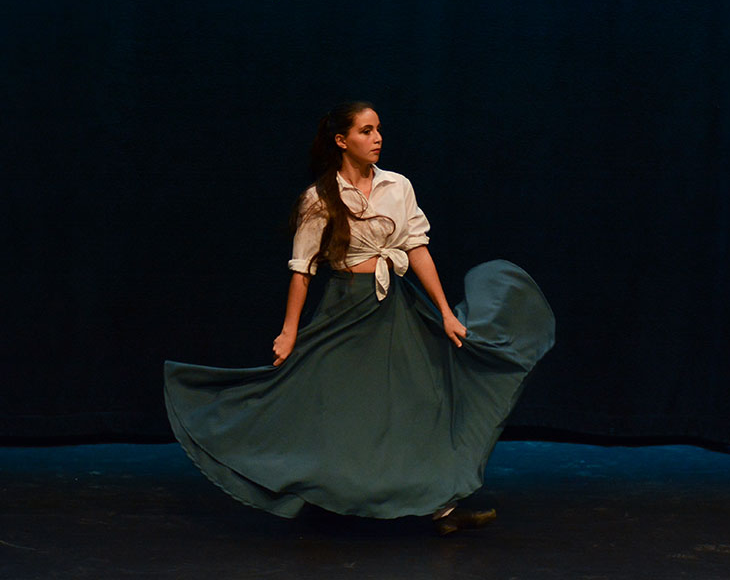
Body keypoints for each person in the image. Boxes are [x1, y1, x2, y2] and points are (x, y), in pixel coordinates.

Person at [164, 101, 555, 535]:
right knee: (328, 401)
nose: (377, 138)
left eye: (378, 129)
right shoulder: (320, 198)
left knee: (422, 401)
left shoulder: (397, 186)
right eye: (366, 131)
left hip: (395, 307)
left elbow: (416, 249)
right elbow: (302, 270)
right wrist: (289, 331)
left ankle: (441, 507)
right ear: (341, 140)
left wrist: (446, 312)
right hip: (345, 308)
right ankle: (315, 490)